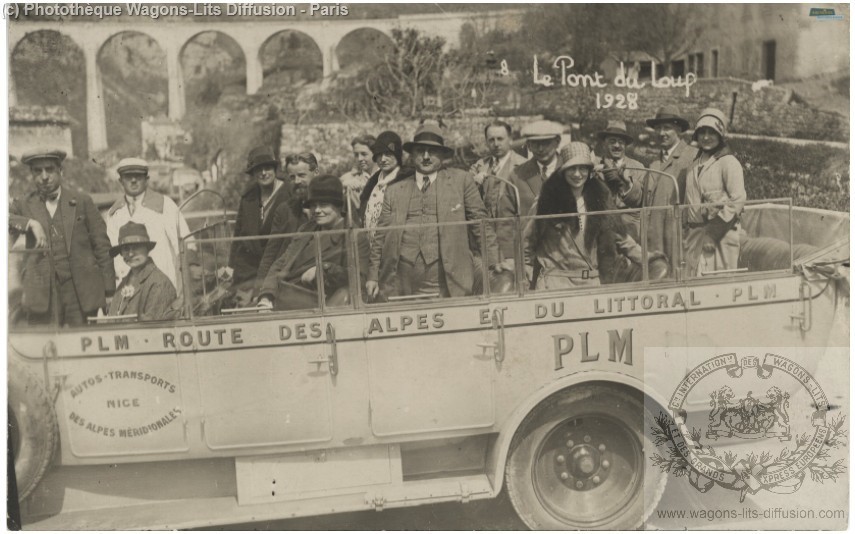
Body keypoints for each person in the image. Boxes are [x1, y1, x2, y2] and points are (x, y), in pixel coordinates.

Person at [366, 123, 502, 299]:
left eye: (432, 151)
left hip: (449, 279)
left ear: (443, 155)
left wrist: (494, 262)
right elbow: (380, 237)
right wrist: (373, 276)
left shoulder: (461, 181)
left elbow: (480, 224)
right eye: (420, 151)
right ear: (412, 155)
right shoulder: (394, 190)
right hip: (402, 280)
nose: (426, 157)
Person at [10, 148, 115, 326]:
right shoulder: (24, 204)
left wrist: (110, 291)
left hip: (80, 293)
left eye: (49, 169)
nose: (44, 176)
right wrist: (30, 224)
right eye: (38, 171)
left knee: (81, 346)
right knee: (46, 347)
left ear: (60, 171)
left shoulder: (82, 201)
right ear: (32, 174)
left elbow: (102, 247)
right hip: (42, 295)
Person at [526, 142, 641, 289]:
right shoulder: (547, 200)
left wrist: (648, 259)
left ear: (590, 171)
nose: (577, 174)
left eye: (582, 168)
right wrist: (528, 277)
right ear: (563, 170)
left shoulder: (601, 200)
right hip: (554, 284)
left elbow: (621, 238)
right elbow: (527, 242)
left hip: (591, 283)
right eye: (572, 168)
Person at [257, 175, 367, 310]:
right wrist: (266, 296)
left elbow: (359, 279)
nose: (317, 210)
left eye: (324, 205)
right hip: (281, 298)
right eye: (313, 205)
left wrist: (323, 270)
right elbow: (281, 263)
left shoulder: (352, 235)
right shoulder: (306, 229)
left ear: (338, 206)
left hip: (314, 307)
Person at [106, 157, 190, 292]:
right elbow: (110, 253)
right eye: (128, 177)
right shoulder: (114, 213)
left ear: (146, 179)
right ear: (121, 181)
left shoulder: (164, 205)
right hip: (127, 289)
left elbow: (186, 244)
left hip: (162, 286)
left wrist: (183, 289)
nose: (133, 180)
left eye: (138, 176)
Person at [683, 108, 747, 275]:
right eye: (701, 132)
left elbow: (737, 200)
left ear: (720, 135)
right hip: (696, 237)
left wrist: (712, 234)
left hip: (721, 237)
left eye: (711, 132)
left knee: (718, 285)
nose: (706, 137)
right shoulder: (694, 164)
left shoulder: (728, 162)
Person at [228, 147, 296, 287]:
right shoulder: (249, 197)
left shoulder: (290, 193)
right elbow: (238, 234)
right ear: (253, 173)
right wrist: (231, 266)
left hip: (279, 268)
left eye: (268, 168)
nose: (264, 173)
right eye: (259, 169)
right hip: (248, 269)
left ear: (275, 169)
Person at [255, 151, 320, 289]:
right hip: (286, 284)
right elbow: (270, 253)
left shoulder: (333, 208)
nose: (296, 181)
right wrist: (258, 292)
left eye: (302, 175)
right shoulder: (284, 210)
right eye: (291, 177)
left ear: (316, 172)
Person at [471, 120, 527, 267]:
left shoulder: (523, 166)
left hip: (514, 242)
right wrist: (474, 184)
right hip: (486, 243)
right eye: (491, 140)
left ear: (510, 139)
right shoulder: (479, 166)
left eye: (500, 139)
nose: (496, 144)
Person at [108, 222, 177, 321]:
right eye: (126, 249)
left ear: (147, 249)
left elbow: (153, 329)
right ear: (121, 253)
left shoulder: (159, 283)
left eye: (136, 247)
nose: (131, 253)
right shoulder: (124, 283)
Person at [595, 120, 649, 242]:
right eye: (612, 141)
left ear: (625, 145)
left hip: (630, 228)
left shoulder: (637, 166)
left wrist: (627, 183)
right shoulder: (594, 166)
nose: (617, 146)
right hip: (601, 228)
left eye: (621, 142)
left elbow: (642, 200)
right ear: (604, 143)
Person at [358, 130, 409, 233]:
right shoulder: (372, 183)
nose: (383, 159)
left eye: (388, 154)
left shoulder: (407, 181)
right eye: (379, 154)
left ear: (397, 155)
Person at [646, 106, 699, 202]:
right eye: (658, 128)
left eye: (667, 128)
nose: (661, 133)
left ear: (678, 130)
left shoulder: (693, 156)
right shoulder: (653, 163)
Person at [512, 120, 565, 214]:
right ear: (528, 145)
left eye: (546, 143)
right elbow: (506, 220)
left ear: (557, 142)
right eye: (535, 143)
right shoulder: (516, 176)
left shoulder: (572, 171)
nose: (540, 149)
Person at [339, 134, 377, 213]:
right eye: (356, 155)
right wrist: (341, 185)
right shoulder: (348, 178)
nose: (359, 159)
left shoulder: (386, 175)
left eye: (364, 154)